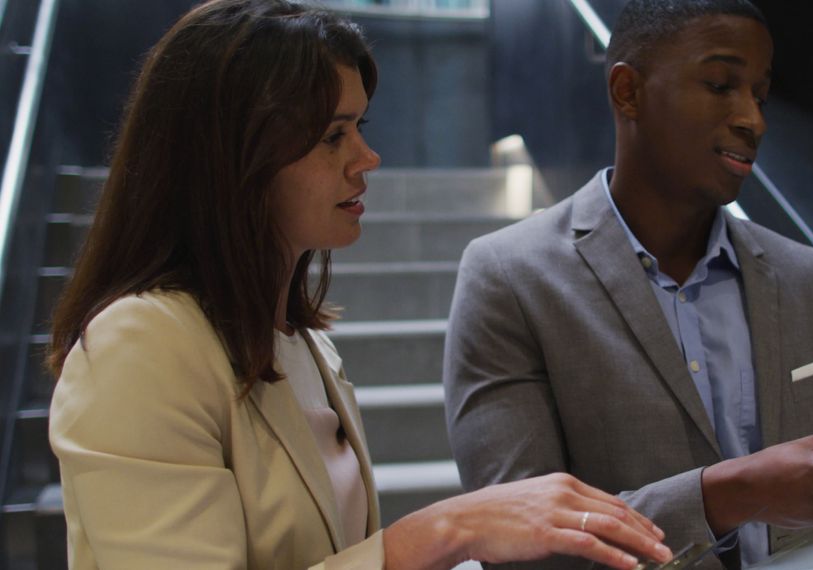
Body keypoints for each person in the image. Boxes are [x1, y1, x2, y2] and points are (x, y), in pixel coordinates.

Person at [45, 1, 676, 568]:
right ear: (231, 158)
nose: (367, 158)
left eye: (360, 127)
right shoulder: (141, 344)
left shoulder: (305, 344)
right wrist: (445, 529)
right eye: (332, 136)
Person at [443, 1, 813, 568]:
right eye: (721, 84)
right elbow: (519, 549)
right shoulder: (509, 276)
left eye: (761, 93)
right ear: (628, 91)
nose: (754, 119)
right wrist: (731, 494)